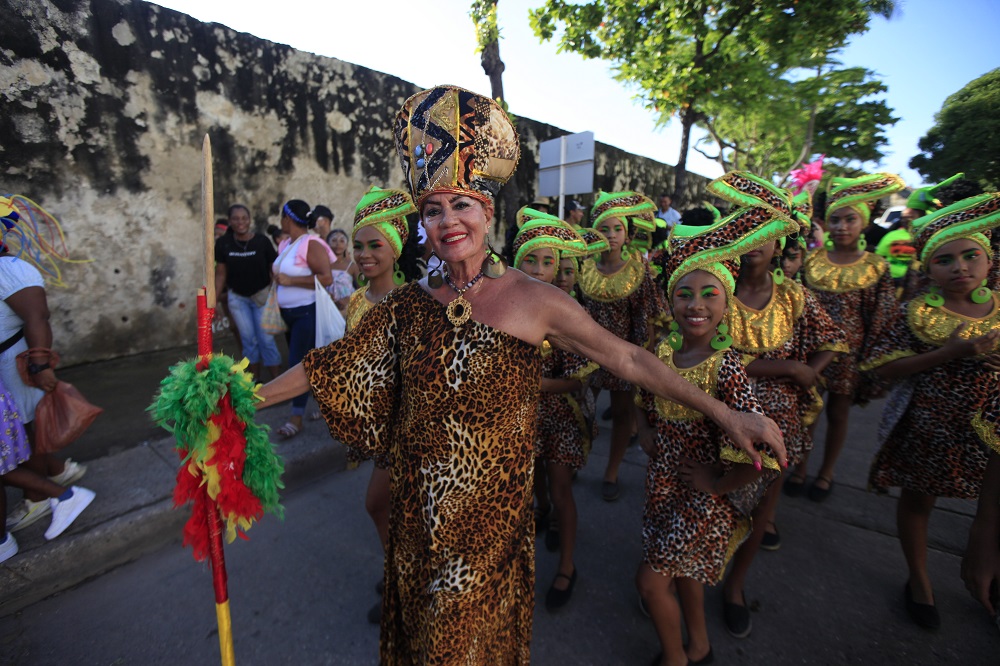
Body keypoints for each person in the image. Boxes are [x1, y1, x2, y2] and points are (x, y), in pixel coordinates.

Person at [255, 85, 785, 665]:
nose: (448, 220)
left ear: (487, 212)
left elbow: (629, 360)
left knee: (465, 647)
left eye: (461, 205)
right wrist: (243, 397)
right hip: (419, 514)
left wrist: (725, 412)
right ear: (423, 227)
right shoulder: (407, 306)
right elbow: (323, 366)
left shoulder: (534, 300)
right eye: (433, 210)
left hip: (491, 521)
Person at [639, 205, 792, 666]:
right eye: (684, 293)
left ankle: (675, 658)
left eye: (710, 294)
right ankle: (700, 646)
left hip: (701, 498)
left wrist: (717, 483)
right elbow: (642, 400)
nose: (696, 305)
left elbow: (757, 458)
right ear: (669, 300)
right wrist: (648, 431)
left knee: (648, 584)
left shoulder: (728, 370)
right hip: (663, 486)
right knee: (683, 575)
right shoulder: (661, 351)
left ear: (727, 305)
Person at [703, 173, 847, 638]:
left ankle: (735, 588)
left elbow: (833, 340)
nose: (752, 245)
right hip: (718, 414)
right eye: (744, 233)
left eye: (763, 235)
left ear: (778, 241)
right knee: (710, 501)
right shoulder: (713, 289)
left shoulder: (794, 295)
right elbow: (712, 358)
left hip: (778, 423)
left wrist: (811, 371)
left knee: (762, 511)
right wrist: (788, 368)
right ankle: (686, 579)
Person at [860, 192, 1000, 630]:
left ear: (989, 259)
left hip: (992, 432)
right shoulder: (914, 313)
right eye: (946, 259)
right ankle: (919, 580)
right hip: (931, 426)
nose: (960, 267)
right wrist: (950, 352)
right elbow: (881, 364)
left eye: (970, 255)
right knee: (919, 501)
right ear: (928, 268)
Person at [790, 173, 903, 501]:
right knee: (807, 411)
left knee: (839, 413)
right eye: (835, 220)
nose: (841, 227)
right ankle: (800, 466)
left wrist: (872, 358)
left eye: (850, 219)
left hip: (850, 357)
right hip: (810, 352)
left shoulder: (876, 267)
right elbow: (799, 307)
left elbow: (882, 317)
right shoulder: (812, 263)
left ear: (864, 223)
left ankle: (827, 472)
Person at [342, 186, 424, 625]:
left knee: (382, 505)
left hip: (405, 426)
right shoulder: (356, 300)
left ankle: (406, 588)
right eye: (359, 246)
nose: (366, 254)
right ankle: (402, 573)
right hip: (372, 426)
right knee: (390, 510)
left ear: (395, 248)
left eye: (376, 245)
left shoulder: (413, 303)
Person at [511, 207, 593, 611]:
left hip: (559, 415)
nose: (541, 270)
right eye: (532, 259)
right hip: (520, 418)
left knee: (561, 487)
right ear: (517, 259)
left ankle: (567, 566)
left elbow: (579, 380)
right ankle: (544, 513)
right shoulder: (501, 307)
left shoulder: (568, 311)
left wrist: (537, 385)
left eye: (549, 262)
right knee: (535, 482)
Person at [1, 197, 95, 541]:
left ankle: (38, 497)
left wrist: (39, 364)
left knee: (26, 429)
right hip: (8, 364)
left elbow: (37, 317)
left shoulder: (11, 269)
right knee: (16, 431)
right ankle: (58, 472)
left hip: (18, 363)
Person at [578, 191, 668, 502]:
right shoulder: (584, 267)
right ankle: (574, 458)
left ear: (626, 233)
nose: (612, 235)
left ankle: (612, 471)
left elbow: (645, 320)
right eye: (605, 228)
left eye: (617, 229)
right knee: (580, 409)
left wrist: (639, 363)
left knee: (621, 414)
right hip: (585, 355)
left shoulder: (637, 272)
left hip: (621, 356)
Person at [271, 199, 334, 440]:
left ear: (288, 219)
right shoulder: (286, 243)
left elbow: (326, 278)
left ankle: (296, 418)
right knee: (307, 363)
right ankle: (323, 405)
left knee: (298, 364)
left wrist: (291, 281)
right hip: (289, 314)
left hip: (307, 312)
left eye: (282, 217)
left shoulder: (311, 243)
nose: (280, 221)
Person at [214, 204, 281, 383]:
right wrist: (211, 303)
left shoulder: (261, 242)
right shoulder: (223, 244)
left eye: (244, 218)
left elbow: (274, 270)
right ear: (229, 221)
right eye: (235, 219)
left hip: (261, 297)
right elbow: (220, 273)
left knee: (266, 340)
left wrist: (275, 296)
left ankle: (276, 381)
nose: (240, 222)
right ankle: (254, 381)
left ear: (249, 220)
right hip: (238, 299)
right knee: (248, 341)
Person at [324, 227, 358, 312]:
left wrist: (349, 299)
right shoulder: (323, 265)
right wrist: (326, 295)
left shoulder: (352, 266)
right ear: (327, 244)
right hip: (327, 307)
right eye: (334, 241)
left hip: (348, 308)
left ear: (346, 245)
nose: (338, 244)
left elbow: (362, 290)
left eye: (342, 241)